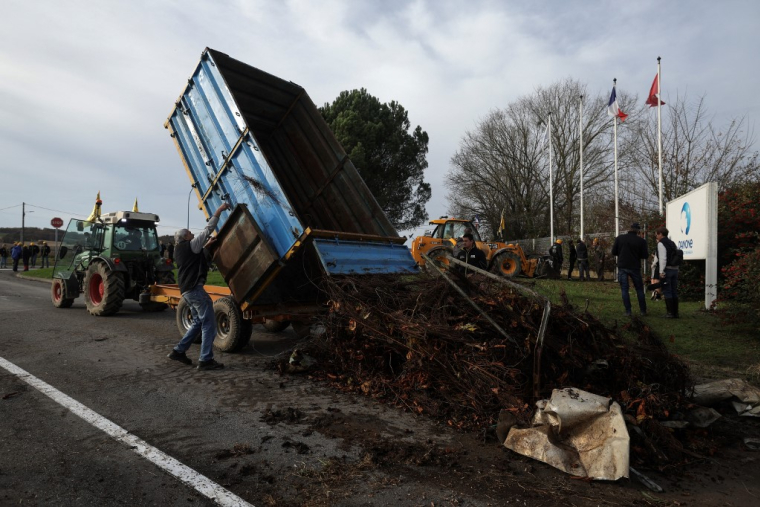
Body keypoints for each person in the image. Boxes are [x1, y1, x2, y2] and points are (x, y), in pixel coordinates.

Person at [168, 202, 231, 370]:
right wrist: (219, 210)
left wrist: (207, 246)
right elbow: (208, 229)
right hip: (195, 290)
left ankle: (179, 351)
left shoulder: (179, 249)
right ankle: (205, 360)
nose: (191, 234)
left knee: (197, 321)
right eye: (189, 233)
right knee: (209, 322)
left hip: (187, 291)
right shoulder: (191, 245)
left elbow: (196, 256)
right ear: (185, 238)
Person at [611, 223, 649, 317]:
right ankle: (643, 310)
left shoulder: (620, 238)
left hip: (622, 265)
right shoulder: (641, 241)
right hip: (635, 266)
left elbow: (613, 252)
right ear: (638, 231)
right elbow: (645, 255)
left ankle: (628, 311)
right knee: (639, 289)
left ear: (630, 228)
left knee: (624, 289)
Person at [655, 226, 680, 318]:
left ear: (660, 234)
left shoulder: (661, 244)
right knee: (674, 290)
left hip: (667, 270)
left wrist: (661, 271)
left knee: (667, 290)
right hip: (675, 269)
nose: (656, 236)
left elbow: (663, 258)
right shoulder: (672, 243)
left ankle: (670, 313)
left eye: (657, 234)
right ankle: (675, 312)